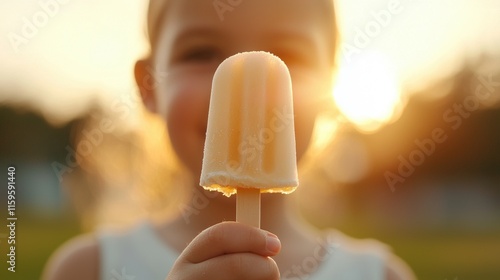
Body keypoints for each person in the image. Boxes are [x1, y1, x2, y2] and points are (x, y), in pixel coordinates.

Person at [43, 0, 416, 279]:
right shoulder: (85, 269)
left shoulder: (380, 275)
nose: (248, 88)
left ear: (331, 86)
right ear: (150, 85)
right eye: (201, 51)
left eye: (286, 56)